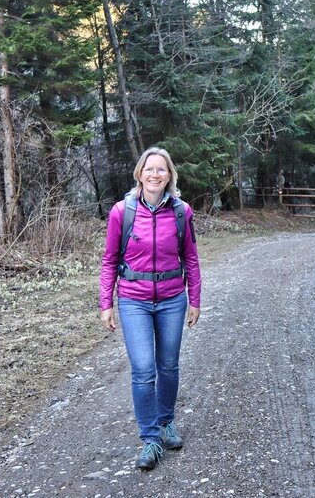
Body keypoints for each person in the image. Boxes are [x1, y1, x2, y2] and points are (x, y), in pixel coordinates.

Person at [98, 147, 202, 470]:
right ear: (139, 173)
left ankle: (167, 421)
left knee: (168, 366)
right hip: (133, 300)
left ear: (169, 175)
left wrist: (195, 298)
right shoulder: (122, 211)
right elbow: (109, 260)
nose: (155, 174)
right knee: (144, 369)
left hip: (172, 299)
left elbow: (192, 259)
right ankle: (150, 439)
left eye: (161, 169)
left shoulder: (182, 212)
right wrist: (106, 303)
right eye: (149, 169)